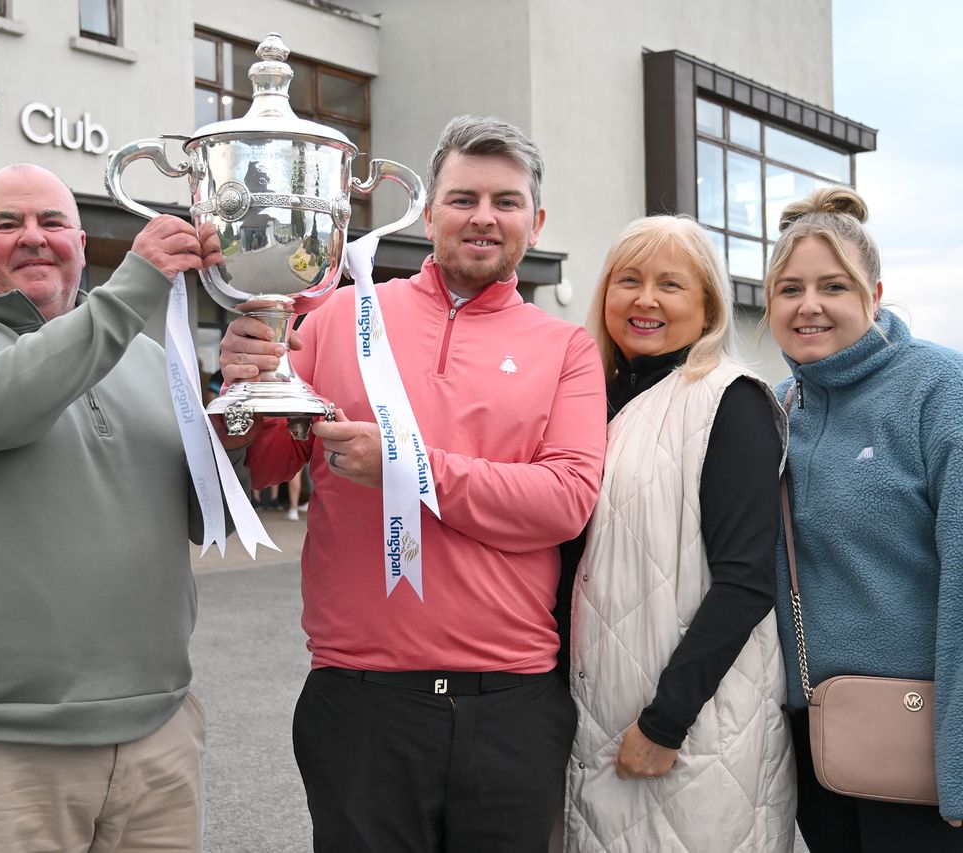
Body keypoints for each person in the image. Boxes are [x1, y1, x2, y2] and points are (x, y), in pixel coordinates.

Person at [218, 115, 607, 852]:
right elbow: (265, 463)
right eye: (463, 199)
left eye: (506, 201)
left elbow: (564, 500)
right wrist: (242, 387)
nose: (483, 217)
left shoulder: (566, 348)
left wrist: (409, 467)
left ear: (536, 220)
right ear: (428, 213)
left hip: (511, 704)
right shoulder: (337, 314)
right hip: (362, 703)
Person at [0, 163, 226, 852]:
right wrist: (133, 288)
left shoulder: (151, 360)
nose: (33, 237)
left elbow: (197, 511)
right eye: (7, 225)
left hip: (157, 736)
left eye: (52, 222)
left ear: (81, 242)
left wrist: (244, 404)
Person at [561, 215, 796, 851]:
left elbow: (746, 580)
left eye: (671, 284)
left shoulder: (729, 400)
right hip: (594, 711)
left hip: (693, 725)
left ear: (708, 305)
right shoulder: (593, 400)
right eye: (628, 280)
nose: (645, 299)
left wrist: (666, 722)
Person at [765, 186, 963, 848]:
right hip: (819, 743)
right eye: (789, 288)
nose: (809, 305)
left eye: (834, 286)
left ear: (874, 295)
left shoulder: (937, 388)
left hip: (923, 741)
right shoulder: (776, 407)